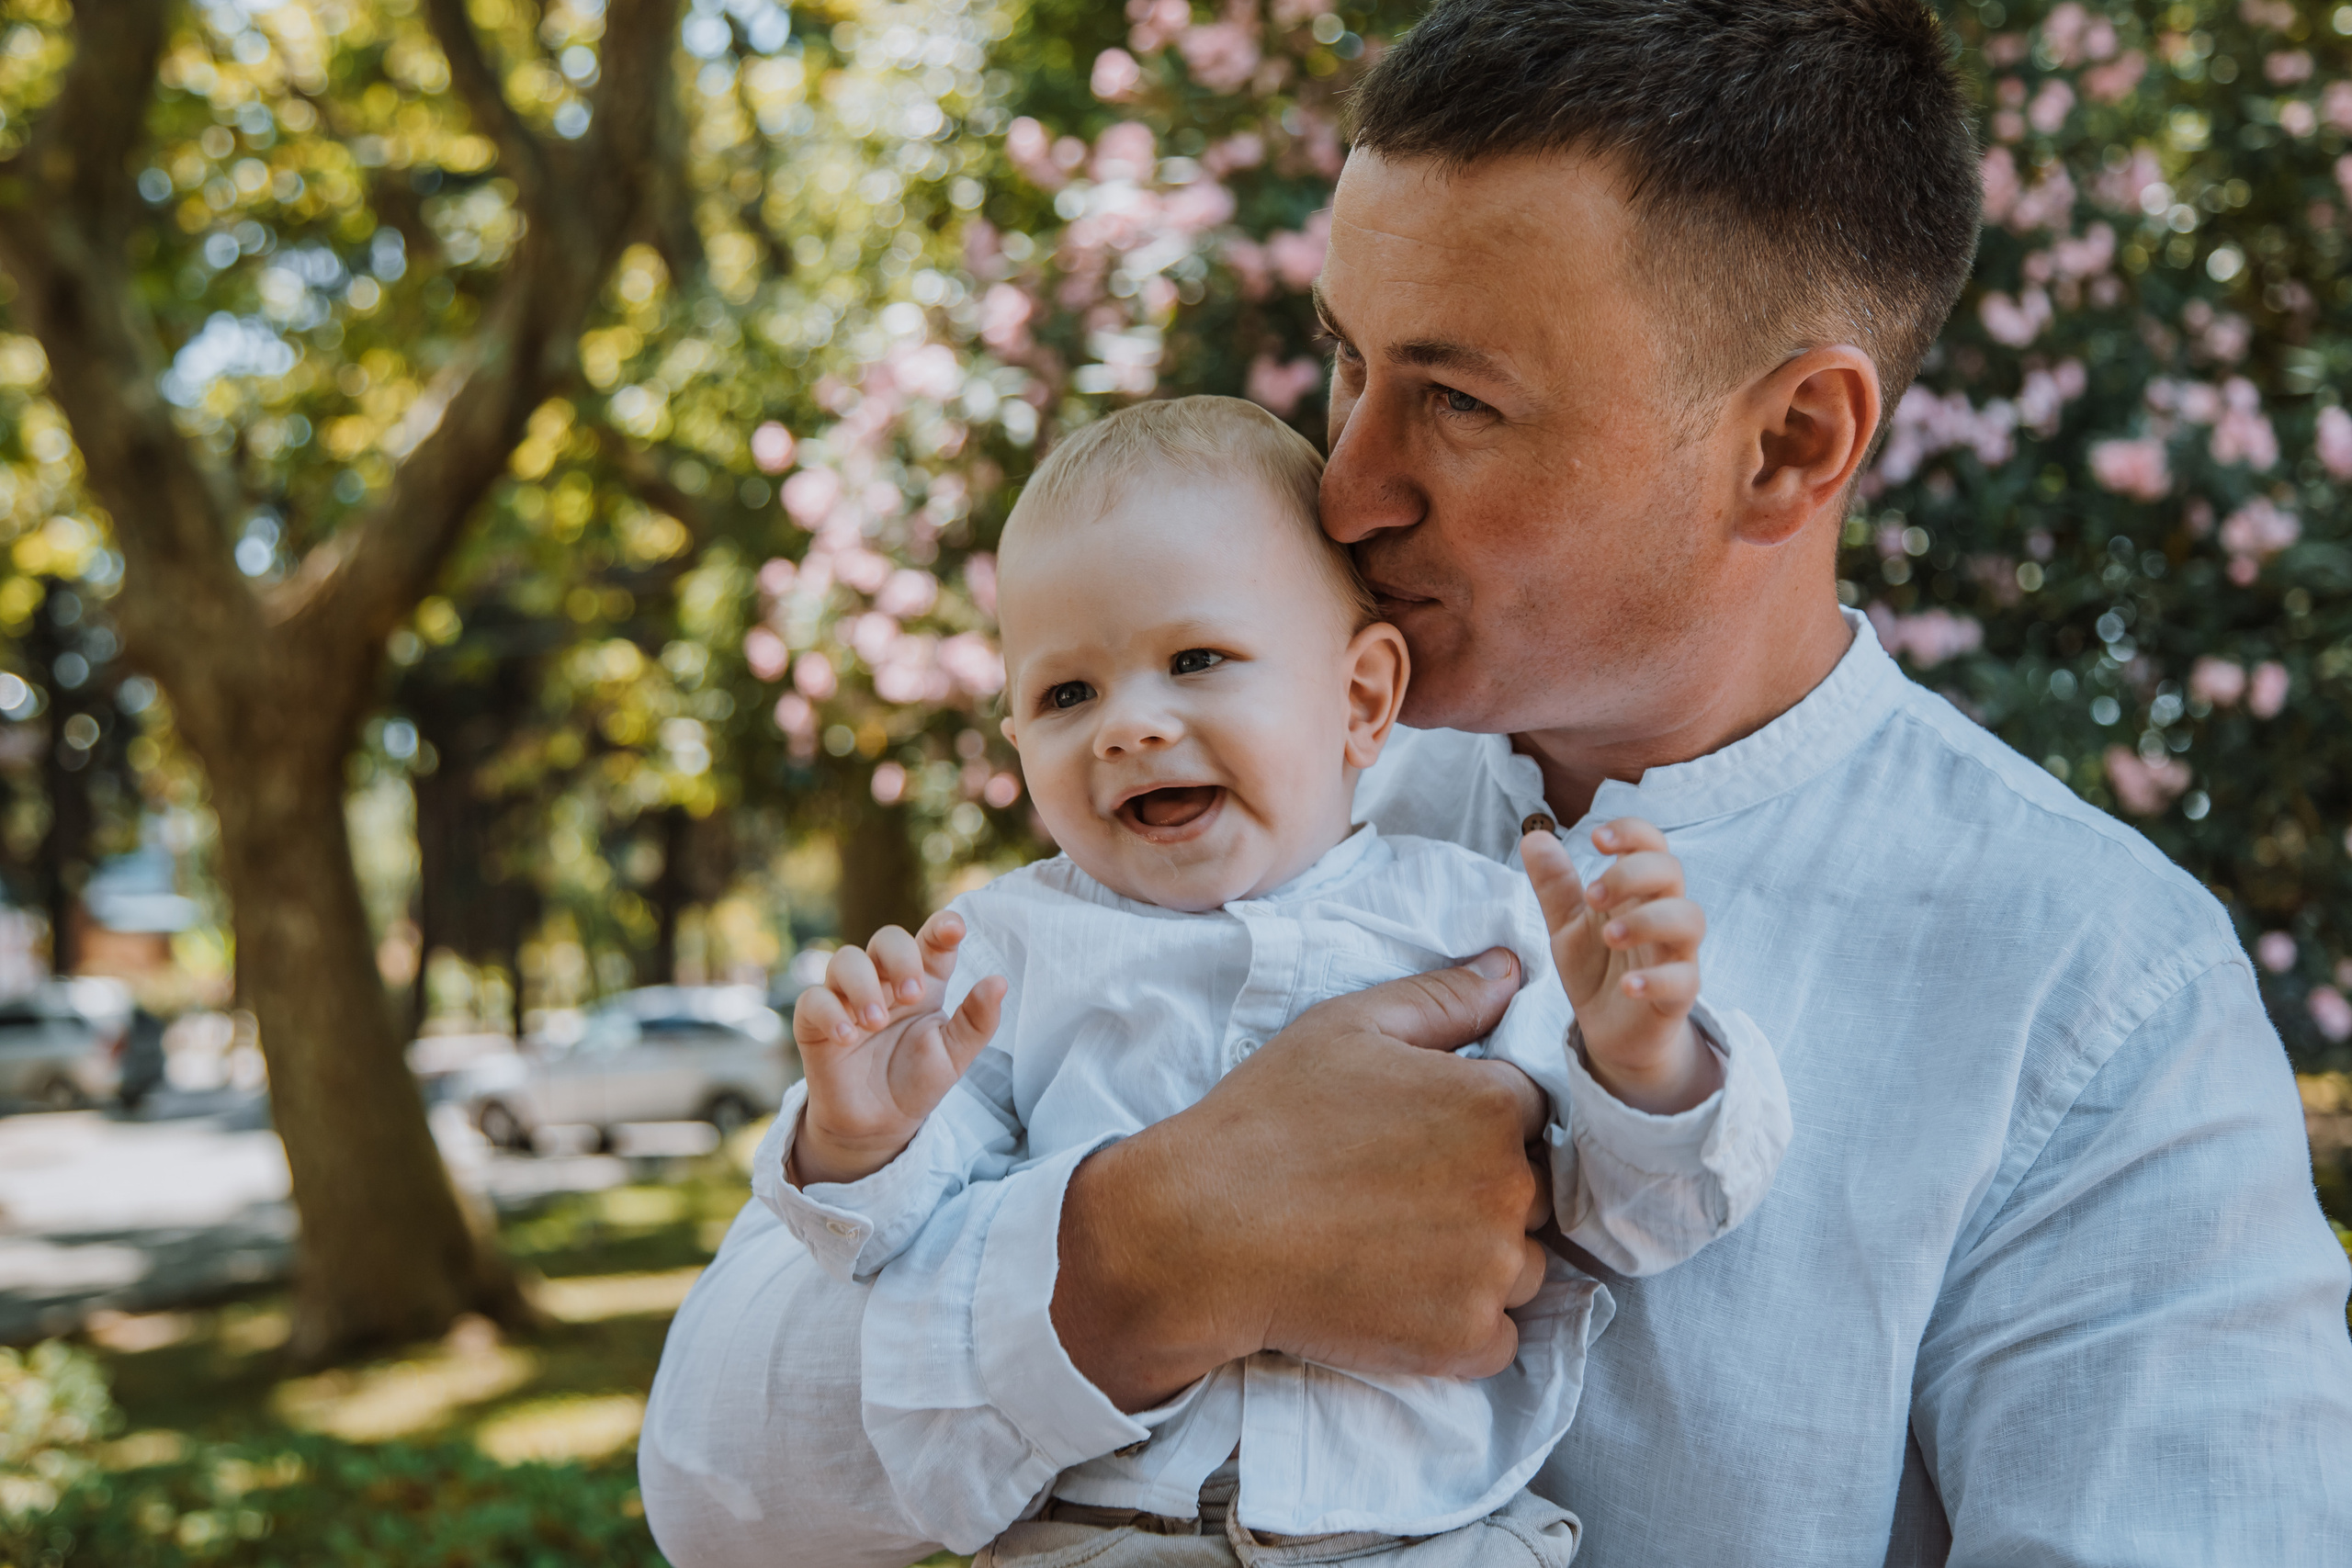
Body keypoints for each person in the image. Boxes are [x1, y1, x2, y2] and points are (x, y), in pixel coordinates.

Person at [641, 3, 2352, 1562]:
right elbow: (719, 1498)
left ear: (1792, 446)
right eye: (1347, 360)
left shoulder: (2100, 998)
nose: (1347, 482)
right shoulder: (1208, 790)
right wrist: (1142, 1257)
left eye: (1455, 398)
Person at [759, 397, 1792, 1561]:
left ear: (1359, 699)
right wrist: (864, 1141)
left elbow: (1646, 1213)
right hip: (1098, 1532)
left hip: (1418, 1536)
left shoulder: (1478, 922)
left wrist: (1642, 1061)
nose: (1128, 727)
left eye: (1195, 661)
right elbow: (892, 1247)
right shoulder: (1004, 951)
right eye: (1066, 695)